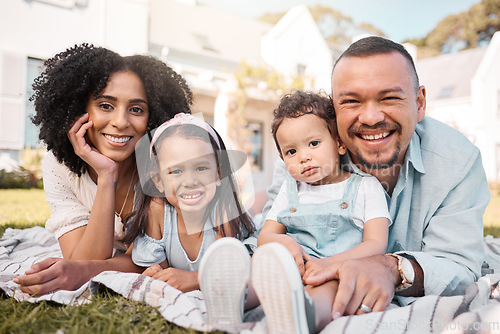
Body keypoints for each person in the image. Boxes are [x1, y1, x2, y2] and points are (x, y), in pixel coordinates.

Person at [261, 35, 489, 323]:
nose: (370, 117)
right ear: (334, 108)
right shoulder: (305, 153)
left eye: (390, 98)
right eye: (352, 101)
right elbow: (269, 232)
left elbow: (459, 266)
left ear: (419, 103)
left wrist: (392, 269)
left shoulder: (458, 161)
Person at [13, 43, 193, 295]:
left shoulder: (164, 166)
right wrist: (107, 176)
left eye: (136, 109)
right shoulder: (60, 167)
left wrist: (87, 270)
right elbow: (80, 260)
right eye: (105, 105)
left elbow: (151, 261)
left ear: (152, 118)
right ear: (79, 110)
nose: (120, 122)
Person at [255, 90, 391, 332]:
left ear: (339, 143)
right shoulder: (290, 190)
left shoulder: (365, 188)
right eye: (291, 152)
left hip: (337, 271)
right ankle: (235, 296)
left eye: (314, 144)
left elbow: (376, 244)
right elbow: (265, 236)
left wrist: (330, 265)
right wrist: (285, 242)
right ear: (282, 158)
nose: (304, 157)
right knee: (260, 271)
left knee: (327, 294)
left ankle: (300, 318)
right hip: (293, 267)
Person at [124, 113, 255, 292]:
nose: (190, 181)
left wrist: (196, 279)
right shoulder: (157, 211)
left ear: (218, 174)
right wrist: (156, 273)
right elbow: (162, 274)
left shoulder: (223, 212)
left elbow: (224, 274)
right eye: (176, 171)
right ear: (158, 182)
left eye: (201, 168)